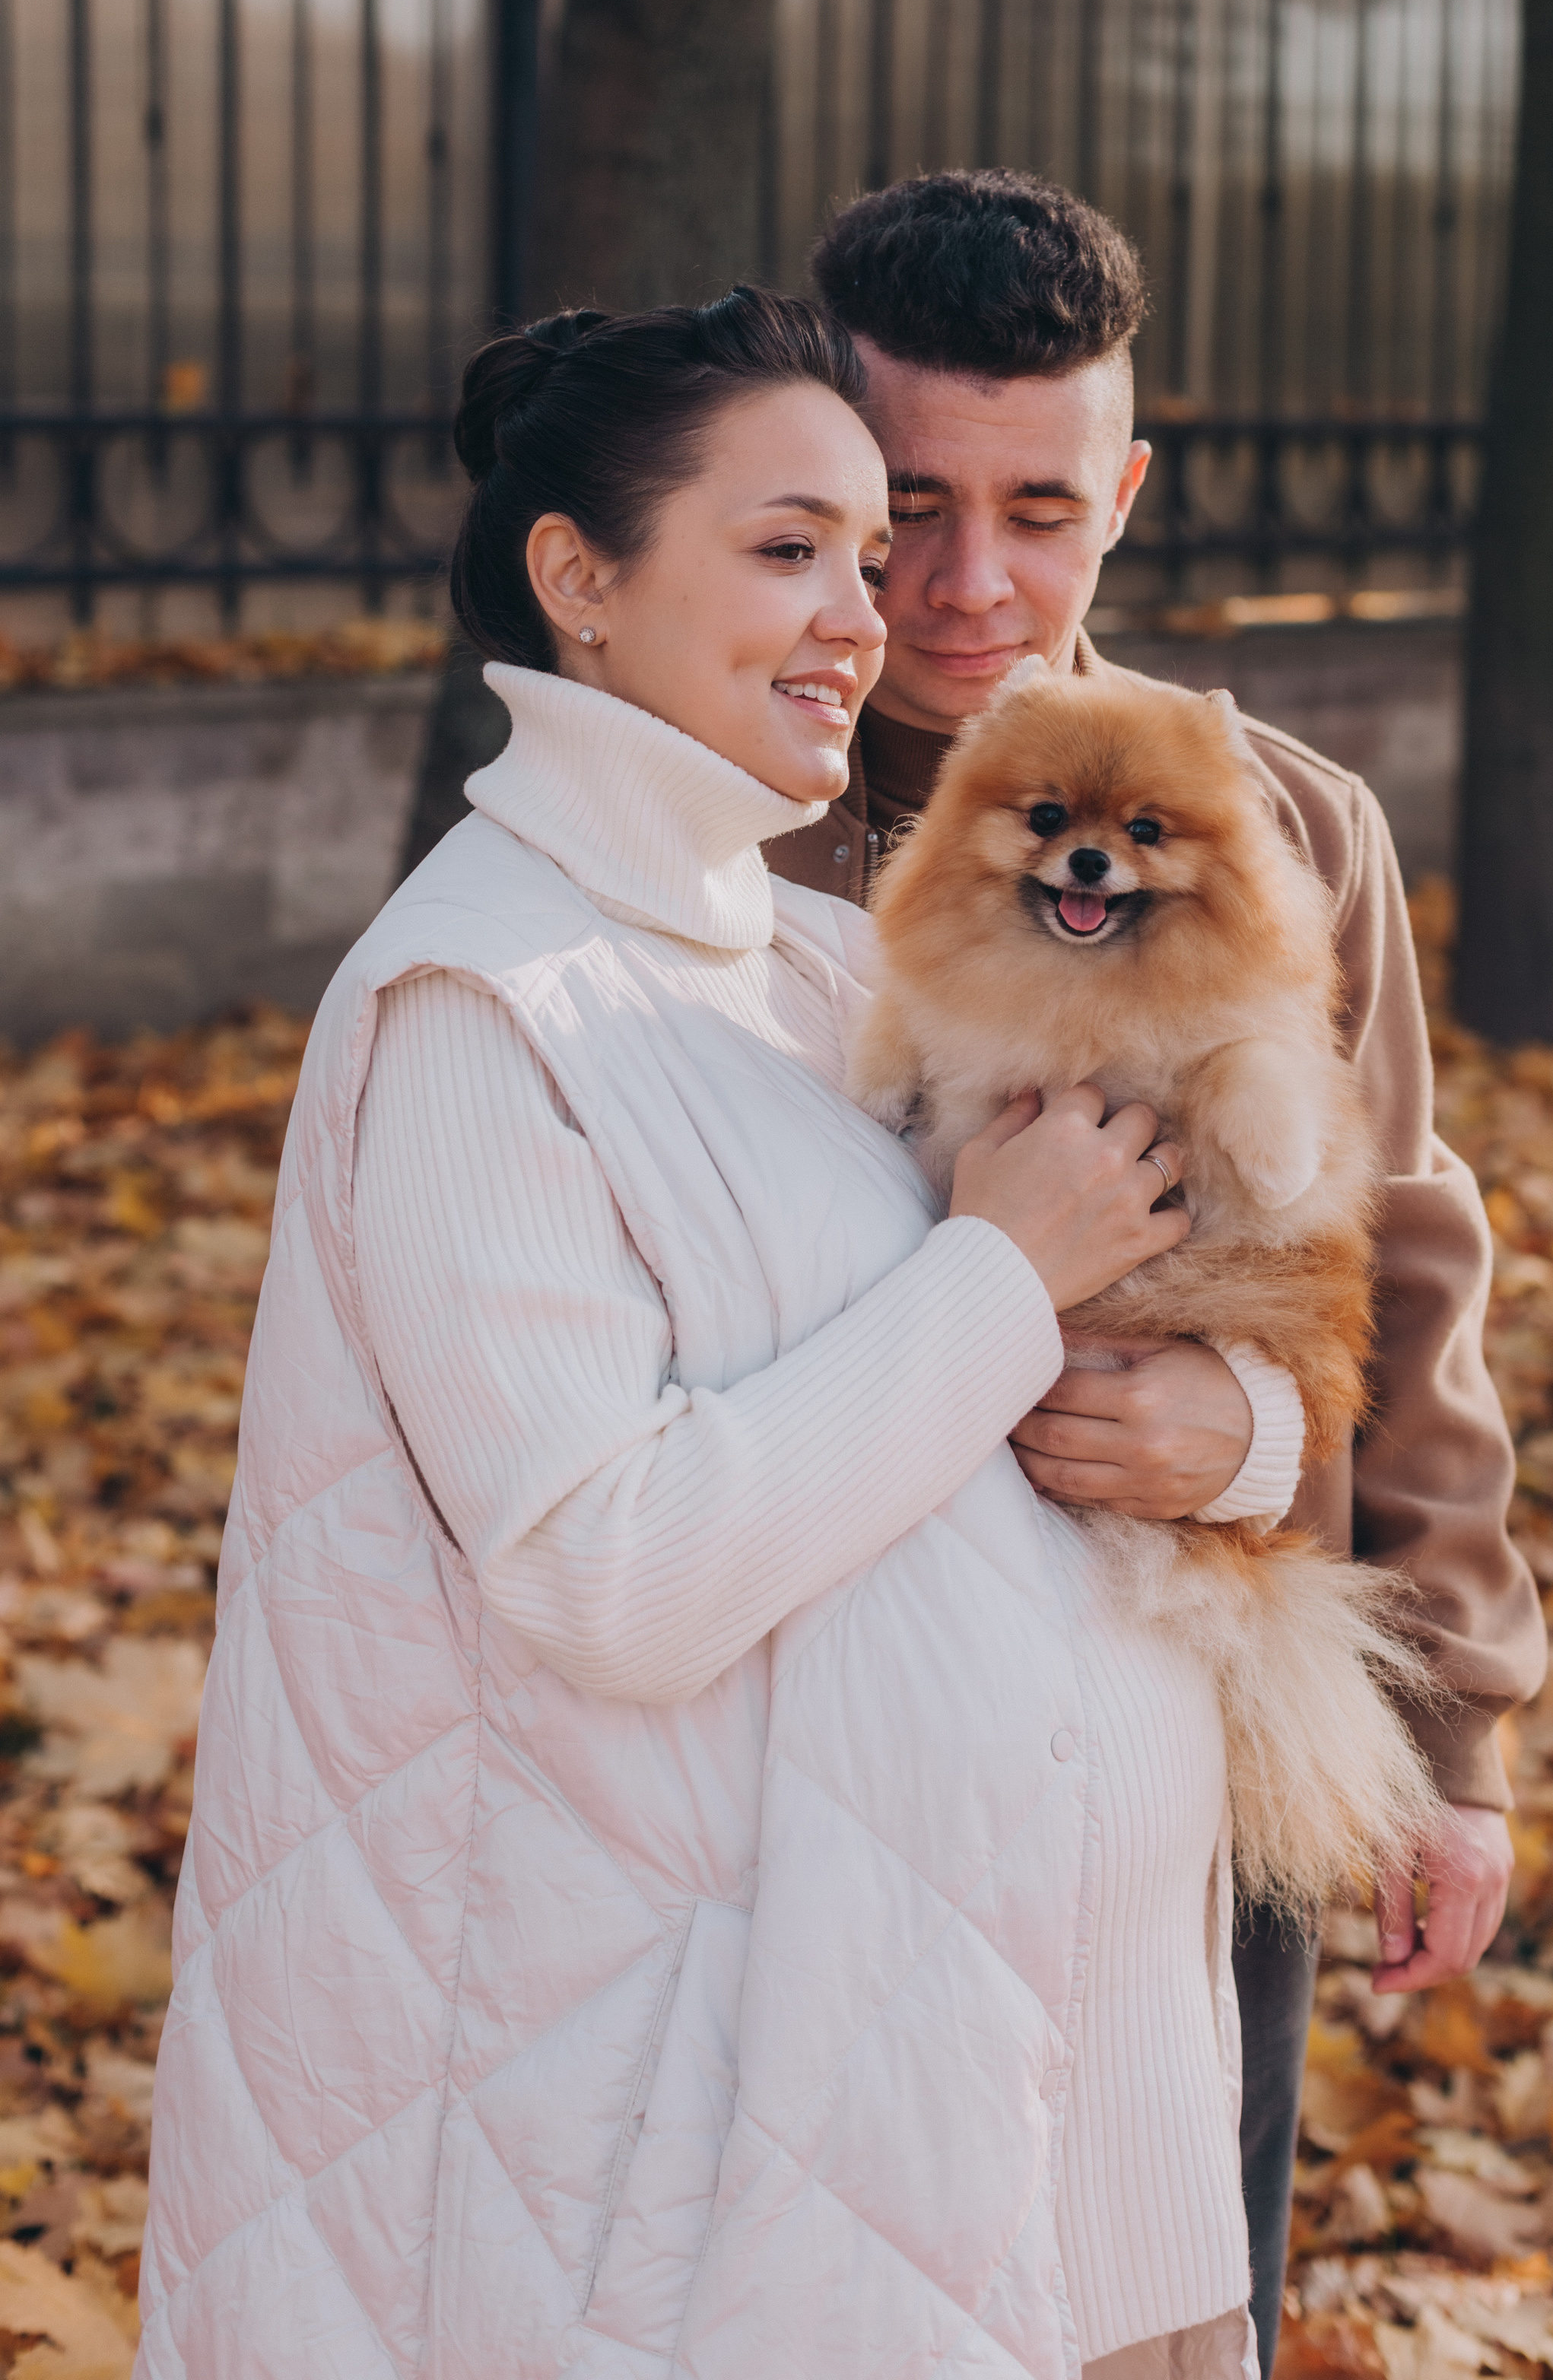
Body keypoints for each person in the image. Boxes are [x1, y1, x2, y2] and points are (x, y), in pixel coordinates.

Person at [136, 289, 1297, 2380]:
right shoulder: (488, 1009)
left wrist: (1258, 1438)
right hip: (706, 2150)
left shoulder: (804, 960)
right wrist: (993, 1274)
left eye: (863, 555)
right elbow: (614, 1571)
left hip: (1048, 2103)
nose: (869, 613)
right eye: (788, 550)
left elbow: (1165, 1327)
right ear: (579, 582)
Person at [767, 170, 1549, 2376]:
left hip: (1180, 1726)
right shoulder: (724, 816)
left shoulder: (1285, 825)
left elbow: (1405, 1252)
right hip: (812, 1729)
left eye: (1040, 506)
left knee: (1172, 2287)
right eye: (905, 502)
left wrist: (1447, 1722)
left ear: (1125, 490)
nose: (966, 583)